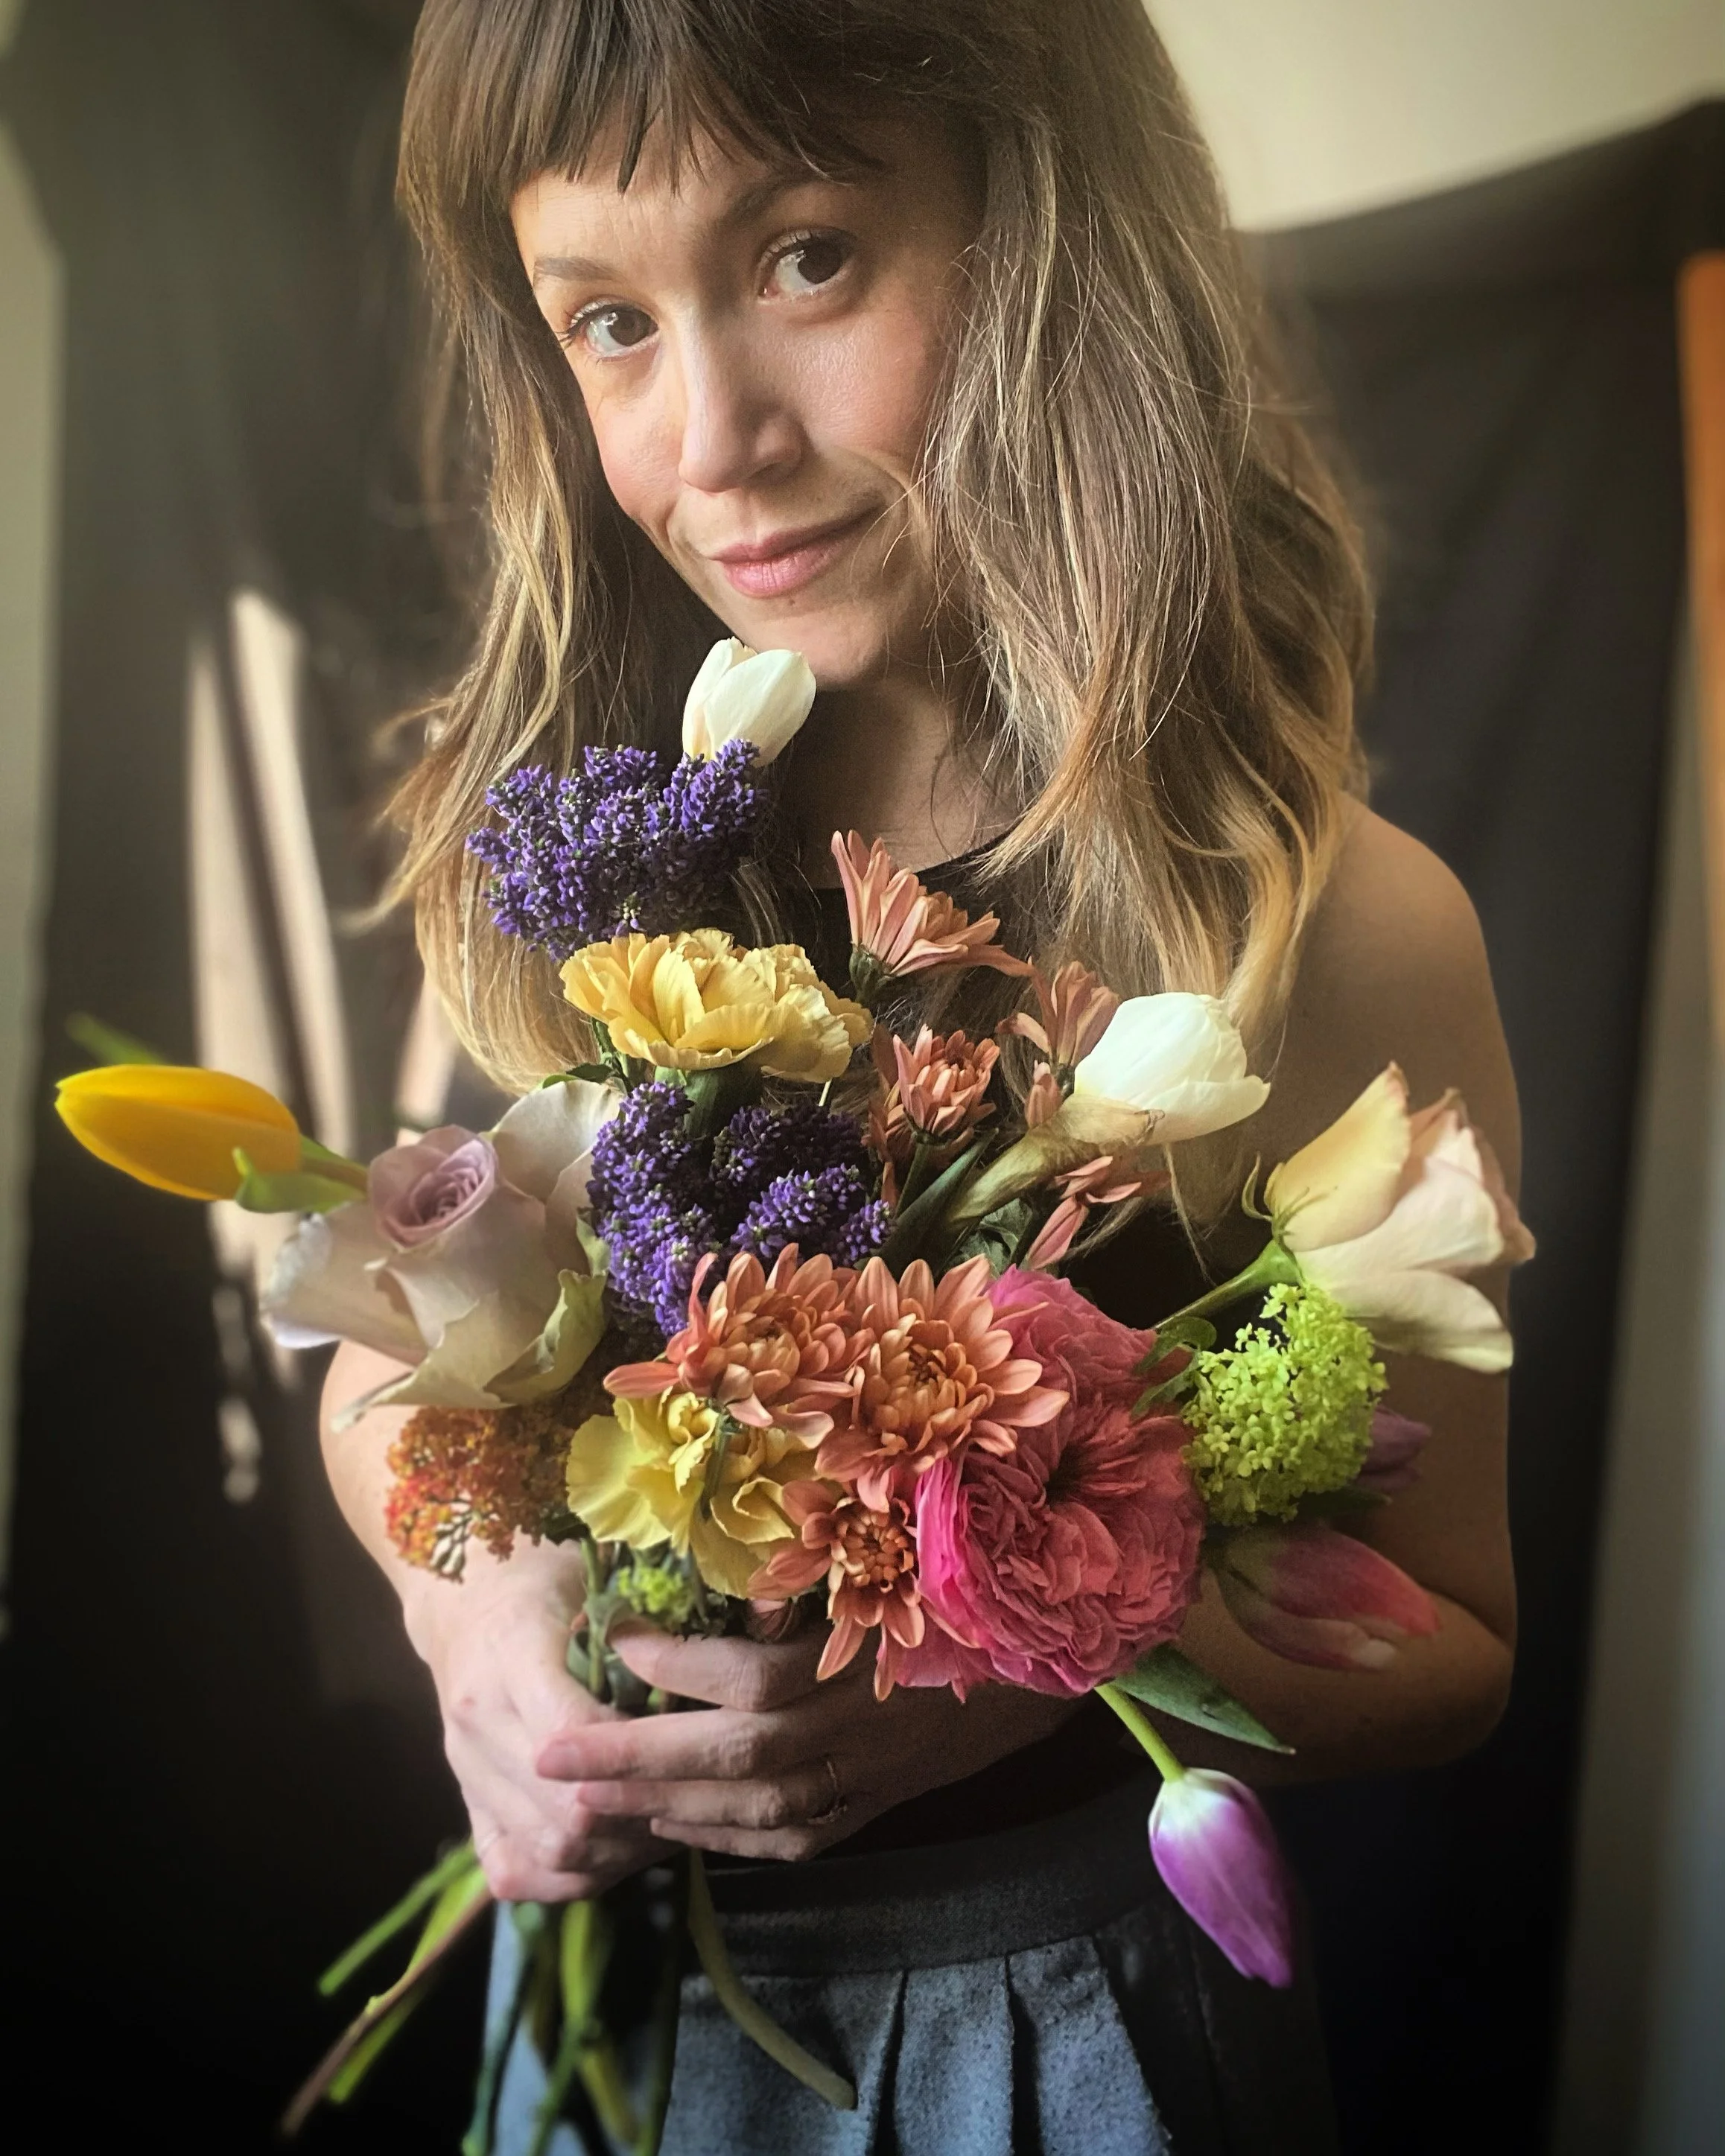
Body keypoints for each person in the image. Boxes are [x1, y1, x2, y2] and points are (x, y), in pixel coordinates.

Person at [320, 3, 1520, 2149]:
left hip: (1057, 2045)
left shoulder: (1321, 926)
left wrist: (1016, 1669)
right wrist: (466, 1612)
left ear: (1049, 234)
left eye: (808, 261)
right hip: (617, 2031)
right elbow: (388, 1364)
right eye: (609, 321)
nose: (714, 441)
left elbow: (1453, 1643)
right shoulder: (595, 843)